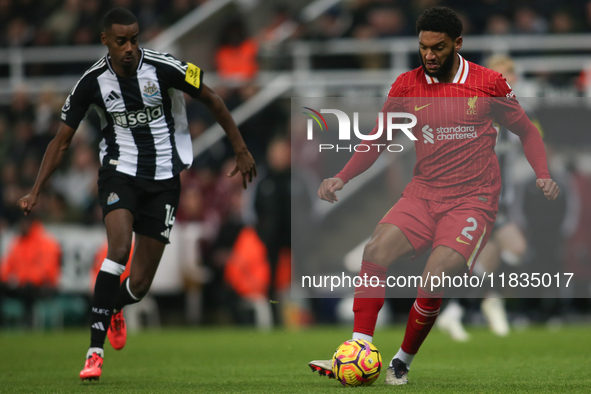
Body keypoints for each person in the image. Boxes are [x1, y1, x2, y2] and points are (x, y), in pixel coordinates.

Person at [309, 6, 559, 385]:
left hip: (473, 199)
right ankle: (358, 347)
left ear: (457, 44)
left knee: (435, 275)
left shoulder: (488, 82)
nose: (429, 55)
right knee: (374, 251)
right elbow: (378, 138)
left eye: (438, 47)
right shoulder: (406, 85)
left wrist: (542, 174)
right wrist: (342, 176)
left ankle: (402, 361)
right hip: (424, 193)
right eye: (423, 46)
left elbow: (527, 131)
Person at [17, 8, 257, 381]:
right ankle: (94, 354)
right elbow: (61, 141)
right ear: (105, 41)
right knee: (118, 250)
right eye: (121, 41)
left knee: (140, 285)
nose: (129, 47)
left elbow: (214, 99)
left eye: (134, 39)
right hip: (119, 173)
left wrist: (240, 149)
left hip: (164, 180)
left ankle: (115, 307)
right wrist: (35, 190)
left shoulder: (166, 67)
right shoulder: (91, 82)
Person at [437, 55, 528, 340]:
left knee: (488, 262)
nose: (509, 79)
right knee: (515, 249)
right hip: (483, 196)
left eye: (511, 74)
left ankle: (458, 311)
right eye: (503, 75)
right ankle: (485, 305)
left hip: (503, 198)